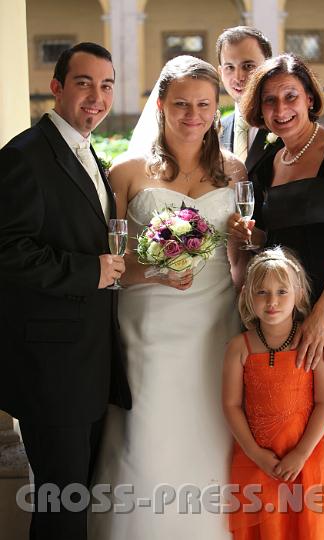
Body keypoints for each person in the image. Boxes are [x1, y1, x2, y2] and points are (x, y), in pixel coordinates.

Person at [89, 55, 246, 540]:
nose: (192, 114)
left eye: (203, 104)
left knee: (213, 430)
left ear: (216, 108)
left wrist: (249, 240)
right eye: (181, 104)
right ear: (161, 105)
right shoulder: (127, 172)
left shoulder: (236, 171)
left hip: (216, 322)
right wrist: (154, 269)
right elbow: (109, 264)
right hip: (148, 320)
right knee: (149, 433)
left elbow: (240, 258)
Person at [0, 42, 131, 540]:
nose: (96, 97)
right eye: (83, 83)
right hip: (51, 370)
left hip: (87, 364)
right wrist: (87, 272)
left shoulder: (85, 151)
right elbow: (7, 251)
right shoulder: (23, 157)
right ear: (56, 87)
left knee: (74, 503)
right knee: (61, 510)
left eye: (106, 85)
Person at [228, 53, 324, 535]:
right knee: (299, 442)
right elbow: (273, 245)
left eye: (290, 96)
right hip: (283, 318)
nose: (281, 108)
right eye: (269, 100)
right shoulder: (263, 165)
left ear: (309, 98)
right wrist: (246, 239)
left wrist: (323, 314)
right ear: (258, 110)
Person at [223, 246, 324, 539]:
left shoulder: (314, 343)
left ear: (299, 295)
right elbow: (231, 405)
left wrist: (301, 453)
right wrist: (255, 453)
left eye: (282, 292)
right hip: (258, 462)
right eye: (262, 293)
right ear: (247, 296)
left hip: (309, 459)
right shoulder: (238, 348)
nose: (272, 301)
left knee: (311, 528)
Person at [216, 26, 283, 176]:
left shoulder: (287, 123)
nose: (238, 76)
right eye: (229, 67)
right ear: (220, 72)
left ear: (268, 67)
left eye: (248, 66)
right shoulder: (214, 131)